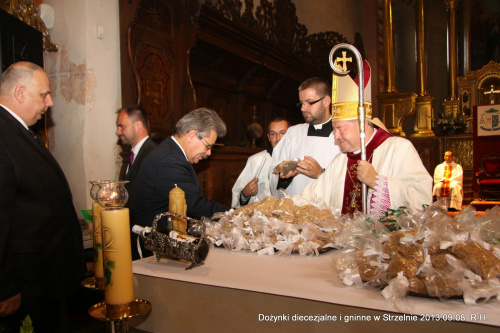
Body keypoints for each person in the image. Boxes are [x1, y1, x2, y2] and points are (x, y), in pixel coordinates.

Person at [0, 62, 84, 332]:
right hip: (26, 283)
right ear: (20, 92)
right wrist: (5, 286)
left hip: (45, 277)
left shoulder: (20, 132)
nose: (50, 102)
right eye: (44, 94)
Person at [303, 59, 432, 217]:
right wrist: (281, 207)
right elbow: (312, 198)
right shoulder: (341, 161)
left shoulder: (398, 149)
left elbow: (423, 200)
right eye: (334, 129)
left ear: (362, 124)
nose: (335, 136)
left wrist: (378, 183)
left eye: (340, 129)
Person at [134, 108, 230, 230]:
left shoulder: (171, 153)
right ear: (191, 135)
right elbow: (196, 206)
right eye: (208, 146)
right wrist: (239, 214)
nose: (209, 152)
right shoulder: (169, 161)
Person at [269, 77, 341, 196]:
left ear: (326, 101)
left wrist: (321, 174)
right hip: (295, 208)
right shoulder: (293, 133)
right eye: (301, 103)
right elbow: (274, 171)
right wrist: (285, 177)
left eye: (309, 102)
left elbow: (348, 178)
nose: (303, 108)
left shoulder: (342, 134)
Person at [116, 105, 157, 260]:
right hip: (131, 232)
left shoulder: (152, 154)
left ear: (138, 125)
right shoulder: (132, 154)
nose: (118, 131)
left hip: (145, 236)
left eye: (121, 126)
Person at [231, 117, 290, 207]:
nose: (278, 138)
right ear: (268, 137)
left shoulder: (300, 160)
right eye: (273, 134)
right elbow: (238, 199)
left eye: (282, 133)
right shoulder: (256, 160)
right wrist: (245, 194)